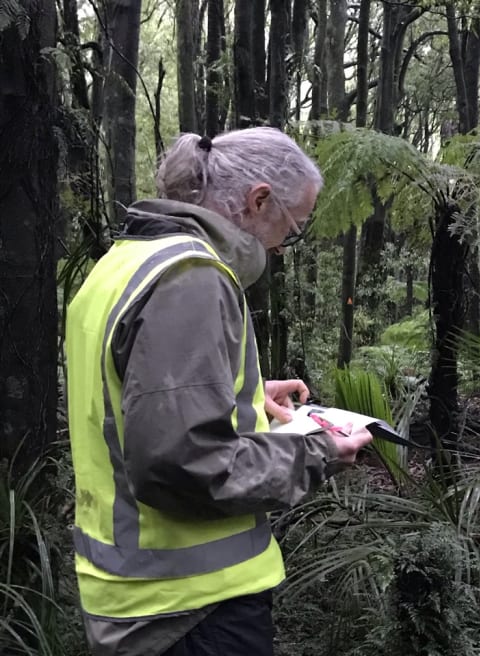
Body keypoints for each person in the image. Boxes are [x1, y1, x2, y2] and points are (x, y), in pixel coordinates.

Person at [65, 127, 373, 656]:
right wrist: (318, 452)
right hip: (189, 610)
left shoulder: (122, 263)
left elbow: (131, 404)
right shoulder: (191, 276)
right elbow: (183, 463)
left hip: (139, 597)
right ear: (258, 200)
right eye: (291, 228)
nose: (280, 248)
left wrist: (242, 398)